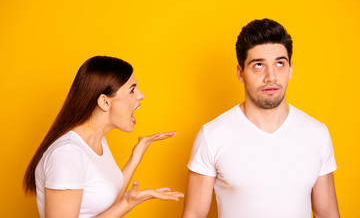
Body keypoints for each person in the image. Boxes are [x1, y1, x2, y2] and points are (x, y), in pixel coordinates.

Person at [182, 19, 340, 218]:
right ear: (241, 73)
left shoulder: (317, 133)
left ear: (291, 68)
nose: (271, 76)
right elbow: (194, 214)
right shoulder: (212, 135)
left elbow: (327, 213)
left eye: (280, 63)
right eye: (258, 65)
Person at [23, 56, 183, 218]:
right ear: (105, 102)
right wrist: (126, 205)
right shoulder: (67, 154)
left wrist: (136, 156)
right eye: (132, 90)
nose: (141, 95)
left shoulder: (98, 141)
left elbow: (106, 204)